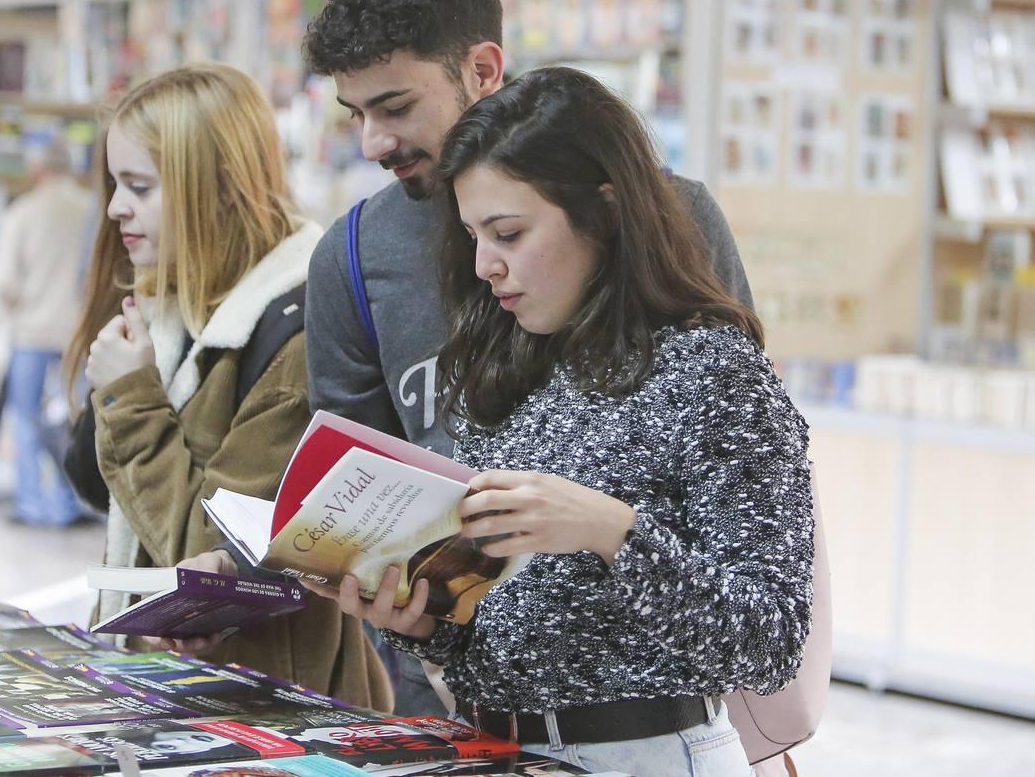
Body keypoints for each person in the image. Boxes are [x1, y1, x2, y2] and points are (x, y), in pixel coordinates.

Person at [307, 66, 814, 776]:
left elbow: (769, 641)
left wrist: (614, 533)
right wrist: (425, 622)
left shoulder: (714, 373)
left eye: (509, 234)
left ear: (603, 212)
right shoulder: (504, 363)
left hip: (651, 756)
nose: (485, 265)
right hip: (497, 748)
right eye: (473, 236)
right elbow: (510, 637)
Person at [298, 0, 754, 717]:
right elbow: (353, 493)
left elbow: (740, 495)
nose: (373, 142)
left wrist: (607, 530)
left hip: (649, 710)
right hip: (445, 703)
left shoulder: (666, 220)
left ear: (482, 69)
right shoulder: (350, 258)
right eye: (356, 114)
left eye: (396, 107)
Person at [61, 63, 391, 711]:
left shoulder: (295, 338)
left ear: (211, 189)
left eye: (139, 186)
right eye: (115, 183)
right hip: (176, 694)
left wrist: (130, 396)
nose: (114, 207)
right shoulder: (174, 308)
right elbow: (91, 484)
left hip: (263, 711)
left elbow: (210, 568)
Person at [0, 137, 94, 527]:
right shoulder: (90, 210)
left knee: (26, 417)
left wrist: (21, 301)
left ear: (36, 170)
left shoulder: (22, 212)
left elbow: (4, 282)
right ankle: (72, 502)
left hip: (32, 332)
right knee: (75, 421)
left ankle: (30, 503)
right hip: (77, 333)